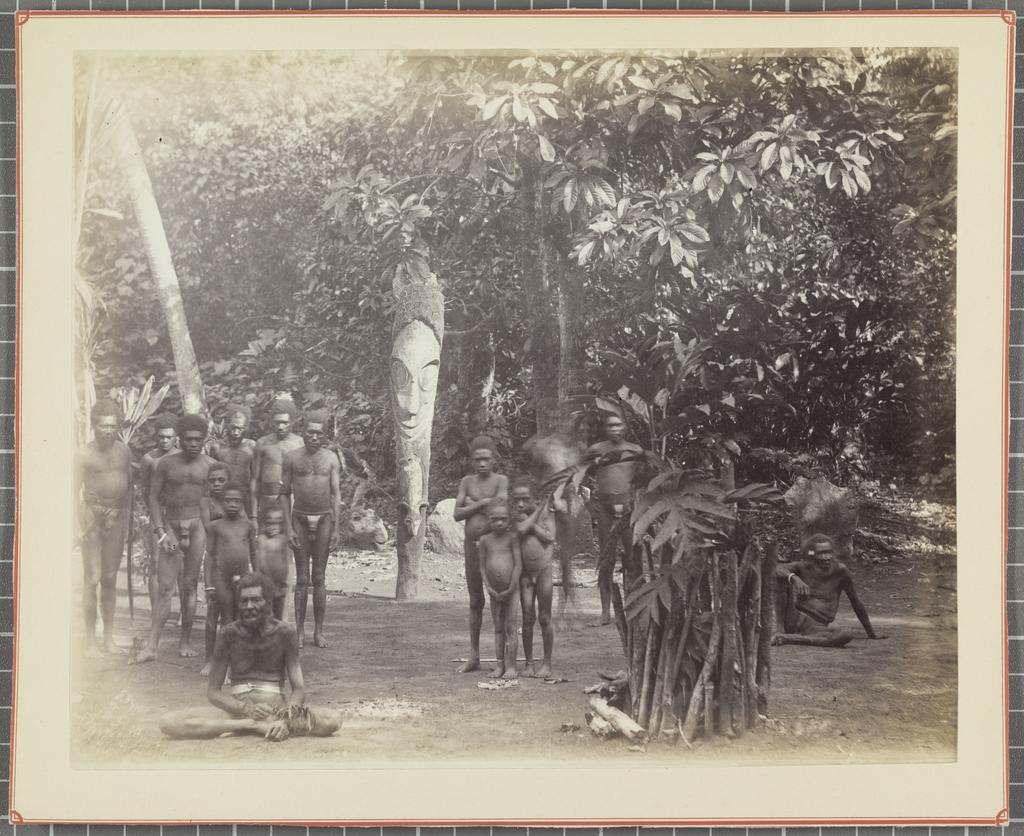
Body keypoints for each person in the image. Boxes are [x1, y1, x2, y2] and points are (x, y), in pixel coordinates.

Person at [159, 572, 342, 742]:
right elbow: (213, 692)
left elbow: (299, 689)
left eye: (255, 600)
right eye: (244, 601)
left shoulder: (285, 633)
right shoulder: (228, 634)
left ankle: (265, 727)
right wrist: (245, 710)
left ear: (268, 603)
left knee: (332, 719)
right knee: (169, 722)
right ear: (238, 604)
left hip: (276, 712)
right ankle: (249, 727)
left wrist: (285, 719)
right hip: (237, 712)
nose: (249, 606)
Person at [135, 414, 215, 664]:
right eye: (189, 439)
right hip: (171, 524)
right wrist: (161, 531)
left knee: (190, 586)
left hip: (198, 526)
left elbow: (218, 499)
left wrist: (213, 530)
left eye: (198, 439)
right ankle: (151, 646)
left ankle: (185, 642)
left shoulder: (210, 465)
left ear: (204, 440)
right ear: (180, 438)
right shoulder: (166, 464)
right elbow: (153, 497)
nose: (193, 443)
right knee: (165, 588)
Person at [74, 400, 132, 657]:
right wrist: (76, 527)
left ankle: (108, 639)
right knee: (92, 578)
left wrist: (125, 520)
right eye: (103, 425)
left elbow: (128, 488)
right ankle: (89, 642)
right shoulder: (83, 454)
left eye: (112, 425)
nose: (108, 430)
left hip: (116, 518)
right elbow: (71, 491)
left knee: (110, 578)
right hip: (92, 518)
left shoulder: (125, 451)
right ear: (94, 426)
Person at [281, 410, 342, 649]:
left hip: (324, 518)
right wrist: (288, 528)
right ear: (303, 432)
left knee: (319, 577)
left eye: (319, 433)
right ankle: (299, 632)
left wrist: (336, 528)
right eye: (310, 432)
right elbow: (284, 493)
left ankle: (319, 631)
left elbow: (336, 494)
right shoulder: (292, 458)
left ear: (324, 435)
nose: (314, 437)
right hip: (300, 518)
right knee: (302, 578)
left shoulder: (331, 459)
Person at [452, 436, 509, 673]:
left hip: (495, 548)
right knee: (475, 600)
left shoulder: (501, 480)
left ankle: (502, 660)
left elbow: (501, 510)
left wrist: (472, 502)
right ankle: (474, 656)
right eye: (477, 460)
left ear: (494, 460)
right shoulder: (466, 481)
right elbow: (457, 514)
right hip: (471, 547)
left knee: (499, 600)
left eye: (486, 459)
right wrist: (483, 502)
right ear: (471, 461)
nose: (482, 464)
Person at [773, 533, 888, 648]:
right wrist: (794, 578)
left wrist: (871, 633)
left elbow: (855, 601)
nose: (826, 557)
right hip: (793, 618)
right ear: (812, 555)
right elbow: (776, 569)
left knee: (846, 634)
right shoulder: (804, 567)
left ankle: (790, 639)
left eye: (828, 552)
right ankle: (780, 629)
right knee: (781, 578)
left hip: (816, 626)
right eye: (821, 553)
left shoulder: (841, 571)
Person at [586, 412, 644, 626]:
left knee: (632, 557)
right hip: (605, 507)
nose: (615, 429)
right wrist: (589, 500)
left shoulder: (635, 451)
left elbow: (643, 477)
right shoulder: (596, 450)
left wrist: (638, 502)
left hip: (627, 507)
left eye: (618, 425)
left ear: (625, 427)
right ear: (605, 428)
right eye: (610, 425)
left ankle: (635, 608)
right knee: (606, 559)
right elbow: (581, 470)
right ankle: (604, 612)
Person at [200, 483, 256, 676]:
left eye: (237, 501)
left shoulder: (248, 526)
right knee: (222, 618)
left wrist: (257, 578)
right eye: (228, 501)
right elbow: (209, 555)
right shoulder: (215, 526)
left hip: (242, 578)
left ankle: (236, 661)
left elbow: (254, 553)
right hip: (220, 577)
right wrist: (208, 584)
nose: (232, 504)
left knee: (242, 618)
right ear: (222, 502)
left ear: (242, 503)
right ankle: (212, 660)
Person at [511, 478, 556, 678]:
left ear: (535, 498)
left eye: (525, 499)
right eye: (517, 500)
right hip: (526, 575)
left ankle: (547, 663)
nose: (520, 504)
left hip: (544, 572)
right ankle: (529, 663)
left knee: (545, 617)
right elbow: (521, 530)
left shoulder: (547, 514)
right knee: (527, 618)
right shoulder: (518, 516)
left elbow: (549, 537)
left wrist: (535, 519)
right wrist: (534, 516)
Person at [477, 500, 521, 680]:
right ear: (489, 520)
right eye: (495, 519)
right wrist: (489, 587)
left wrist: (511, 587)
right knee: (498, 628)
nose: (500, 523)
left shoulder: (512, 538)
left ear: (509, 519)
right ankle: (499, 664)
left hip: (512, 590)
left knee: (511, 626)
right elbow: (482, 567)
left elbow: (518, 565)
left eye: (503, 519)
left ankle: (512, 666)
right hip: (494, 592)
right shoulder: (485, 540)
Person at [140, 413, 178, 608]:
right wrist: (153, 516)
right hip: (158, 515)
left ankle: (179, 613)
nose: (164, 440)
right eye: (161, 436)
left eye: (169, 437)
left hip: (179, 515)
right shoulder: (149, 459)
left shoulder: (182, 457)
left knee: (177, 560)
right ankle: (156, 611)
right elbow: (145, 490)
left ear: (176, 437)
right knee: (155, 561)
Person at [252, 398, 304, 519]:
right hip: (267, 498)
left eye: (285, 423)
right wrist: (254, 515)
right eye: (277, 422)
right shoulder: (262, 443)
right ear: (272, 422)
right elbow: (255, 480)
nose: (281, 427)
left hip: (293, 501)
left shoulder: (300, 444)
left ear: (292, 421)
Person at [210, 404, 257, 519]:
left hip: (245, 500)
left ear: (246, 428)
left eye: (240, 428)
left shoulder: (251, 447)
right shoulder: (217, 448)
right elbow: (210, 479)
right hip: (222, 501)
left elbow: (254, 480)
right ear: (227, 425)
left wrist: (254, 515)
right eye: (233, 427)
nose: (236, 433)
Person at [254, 507, 290, 621]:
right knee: (266, 612)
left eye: (276, 523)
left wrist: (284, 581)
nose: (272, 527)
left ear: (281, 524)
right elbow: (262, 563)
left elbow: (286, 561)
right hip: (266, 581)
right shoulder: (262, 539)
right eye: (269, 523)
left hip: (280, 583)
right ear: (264, 524)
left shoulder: (283, 539)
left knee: (279, 613)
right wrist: (268, 582)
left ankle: (278, 631)